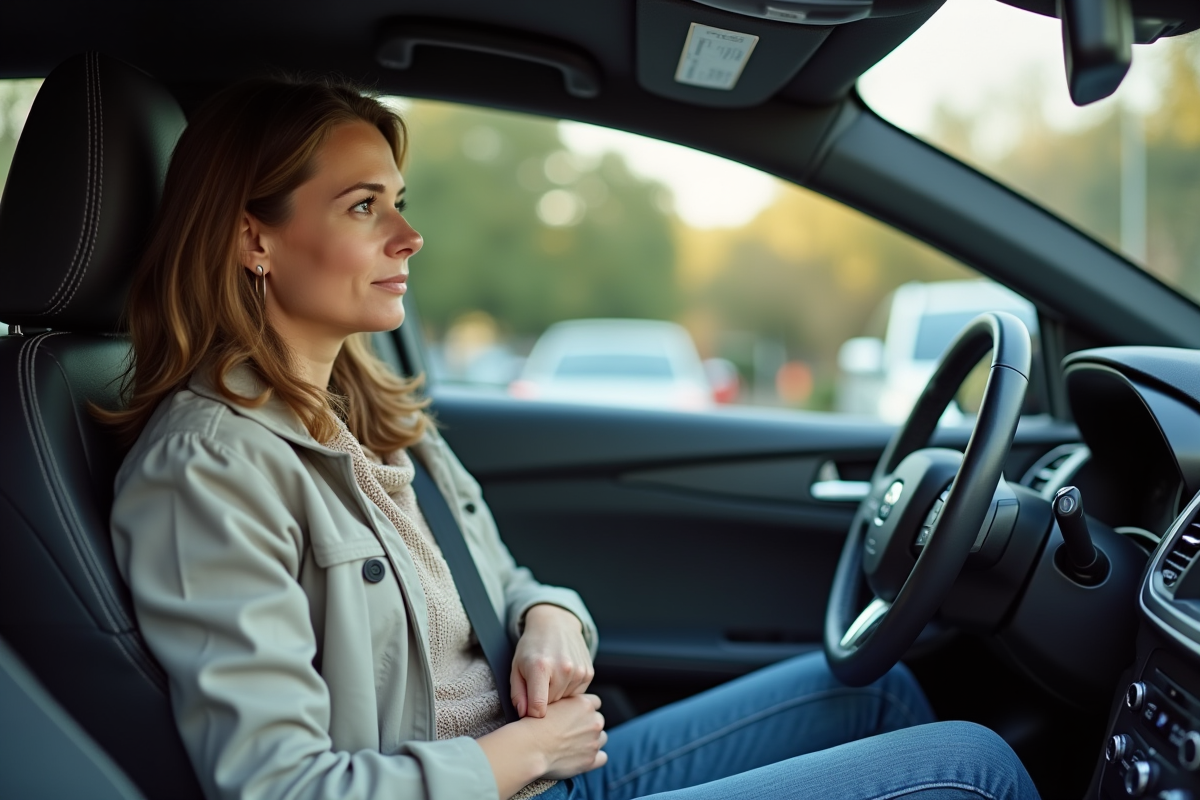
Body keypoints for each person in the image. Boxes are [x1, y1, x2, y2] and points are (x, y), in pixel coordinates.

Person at [106, 76, 1040, 800]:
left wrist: (553, 616)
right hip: (508, 780)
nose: (411, 235)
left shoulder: (370, 408)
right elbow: (279, 787)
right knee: (970, 766)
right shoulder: (209, 469)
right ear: (253, 241)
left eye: (399, 199)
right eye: (364, 207)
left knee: (874, 695)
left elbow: (502, 586)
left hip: (548, 773)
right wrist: (514, 756)